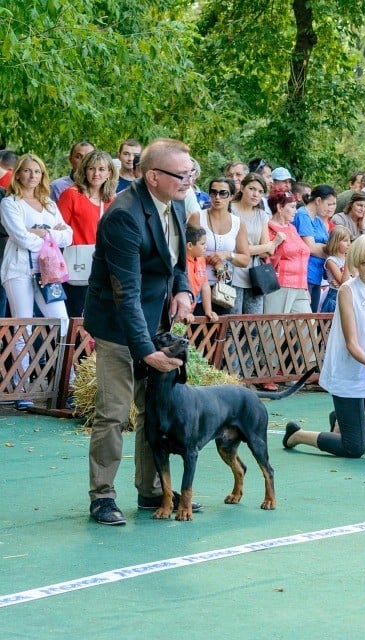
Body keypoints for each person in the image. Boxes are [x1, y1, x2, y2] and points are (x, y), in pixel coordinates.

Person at [84, 138, 198, 526]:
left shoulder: (178, 203)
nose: (188, 181)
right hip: (118, 325)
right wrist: (145, 350)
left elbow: (178, 263)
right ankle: (102, 496)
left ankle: (152, 490)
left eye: (190, 173)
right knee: (113, 413)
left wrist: (183, 291)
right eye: (182, 175)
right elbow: (125, 294)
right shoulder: (123, 215)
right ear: (153, 176)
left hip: (155, 322)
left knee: (155, 410)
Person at [282, 234, 365, 458]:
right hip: (350, 371)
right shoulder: (347, 291)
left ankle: (341, 422)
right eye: (364, 263)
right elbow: (351, 343)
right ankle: (296, 434)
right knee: (354, 448)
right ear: (355, 262)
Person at [1, 154, 74, 410]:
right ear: (18, 174)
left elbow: (69, 236)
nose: (32, 176)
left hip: (49, 272)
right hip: (19, 269)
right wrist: (51, 236)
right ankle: (22, 388)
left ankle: (69, 384)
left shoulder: (49, 205)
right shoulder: (10, 203)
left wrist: (43, 233)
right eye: (27, 171)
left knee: (62, 322)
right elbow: (20, 238)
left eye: (38, 172)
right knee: (25, 326)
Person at [57, 150, 118, 318]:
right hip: (75, 263)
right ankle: (70, 345)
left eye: (101, 169)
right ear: (84, 170)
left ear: (109, 173)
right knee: (75, 314)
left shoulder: (112, 200)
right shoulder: (72, 195)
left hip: (103, 265)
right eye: (91, 168)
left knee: (98, 315)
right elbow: (59, 231)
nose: (96, 173)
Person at [187, 177, 251, 314]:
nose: (217, 197)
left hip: (222, 287)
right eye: (213, 192)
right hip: (195, 284)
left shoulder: (238, 223)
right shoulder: (197, 217)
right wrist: (215, 262)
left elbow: (245, 260)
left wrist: (228, 255)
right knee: (189, 328)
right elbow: (187, 250)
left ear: (232, 196)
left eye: (223, 193)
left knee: (218, 330)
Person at [229, 173, 273, 314]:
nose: (255, 194)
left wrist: (262, 248)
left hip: (255, 275)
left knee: (253, 328)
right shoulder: (229, 209)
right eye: (252, 189)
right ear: (242, 188)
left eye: (260, 192)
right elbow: (232, 248)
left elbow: (267, 252)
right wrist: (265, 246)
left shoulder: (262, 215)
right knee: (231, 324)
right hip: (232, 271)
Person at [263, 190, 311, 314]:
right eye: (292, 207)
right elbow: (265, 260)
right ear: (279, 207)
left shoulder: (292, 228)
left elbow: (302, 257)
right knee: (274, 329)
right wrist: (275, 243)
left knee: (308, 329)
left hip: (300, 285)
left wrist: (305, 288)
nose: (296, 211)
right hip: (280, 285)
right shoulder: (268, 227)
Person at [294, 184, 336, 311]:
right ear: (318, 200)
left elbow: (328, 245)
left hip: (316, 275)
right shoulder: (302, 215)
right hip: (305, 275)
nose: (331, 208)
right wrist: (332, 251)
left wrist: (327, 249)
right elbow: (310, 247)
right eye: (329, 204)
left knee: (313, 315)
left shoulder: (318, 221)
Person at [184, 225, 218, 322]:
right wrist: (185, 311)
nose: (206, 247)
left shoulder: (200, 259)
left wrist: (208, 311)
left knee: (179, 334)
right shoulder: (181, 262)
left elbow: (205, 285)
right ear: (190, 245)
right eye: (202, 244)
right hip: (178, 310)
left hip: (190, 310)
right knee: (173, 334)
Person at [320, 226, 351, 313]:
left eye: (349, 240)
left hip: (349, 294)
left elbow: (356, 276)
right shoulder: (331, 261)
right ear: (336, 242)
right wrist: (348, 261)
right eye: (345, 241)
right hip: (335, 296)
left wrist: (341, 283)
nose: (349, 244)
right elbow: (344, 281)